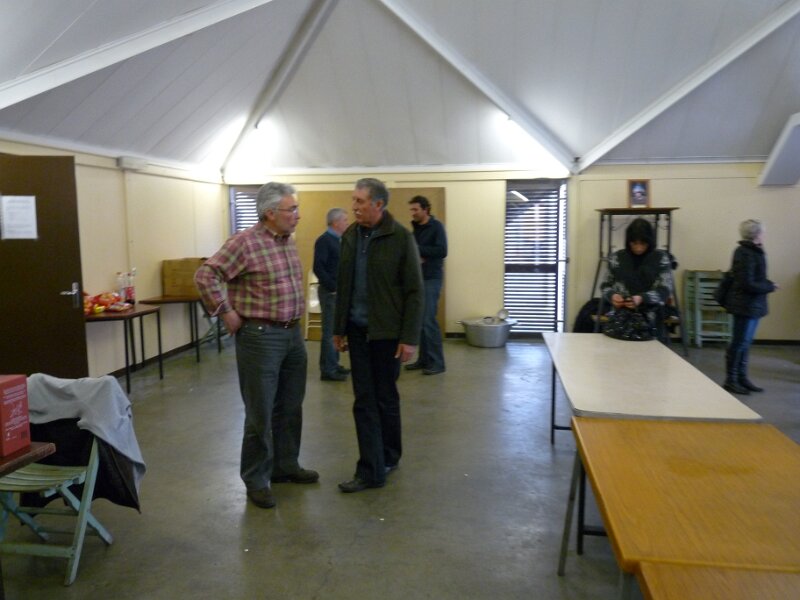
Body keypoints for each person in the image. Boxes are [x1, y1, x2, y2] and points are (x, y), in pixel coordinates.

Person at [195, 181, 318, 510]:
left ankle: (285, 465)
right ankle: (256, 479)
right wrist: (226, 311)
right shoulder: (244, 243)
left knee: (290, 406)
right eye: (292, 209)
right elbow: (205, 276)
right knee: (260, 411)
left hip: (292, 335)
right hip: (261, 337)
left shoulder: (287, 241)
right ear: (270, 213)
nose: (297, 215)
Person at [333, 178, 424, 493]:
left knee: (385, 396)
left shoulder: (400, 237)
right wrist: (338, 328)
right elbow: (343, 285)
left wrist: (409, 337)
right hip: (357, 331)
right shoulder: (349, 236)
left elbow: (414, 291)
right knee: (365, 400)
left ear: (378, 204)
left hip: (387, 334)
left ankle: (389, 454)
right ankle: (371, 470)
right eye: (354, 200)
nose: (354, 207)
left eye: (360, 201)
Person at [721, 219, 779, 394]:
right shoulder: (745, 252)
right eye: (762, 232)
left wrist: (768, 284)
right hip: (744, 304)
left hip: (751, 304)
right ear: (756, 234)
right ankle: (731, 380)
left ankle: (742, 377)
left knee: (745, 343)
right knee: (739, 343)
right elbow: (747, 283)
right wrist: (770, 286)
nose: (764, 235)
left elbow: (754, 278)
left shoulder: (753, 251)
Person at [600, 218, 671, 339]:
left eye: (643, 243)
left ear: (650, 242)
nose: (638, 248)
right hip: (620, 320)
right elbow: (605, 285)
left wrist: (642, 298)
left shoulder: (661, 259)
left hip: (650, 321)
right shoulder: (617, 258)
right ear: (628, 242)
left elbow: (665, 290)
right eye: (634, 243)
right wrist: (612, 296)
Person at [405, 195, 448, 375]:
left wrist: (419, 251)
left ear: (425, 209)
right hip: (419, 278)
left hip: (431, 278)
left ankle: (437, 362)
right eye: (412, 210)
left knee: (428, 320)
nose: (413, 213)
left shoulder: (436, 227)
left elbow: (442, 250)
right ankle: (424, 360)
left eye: (416, 209)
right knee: (421, 321)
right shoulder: (416, 229)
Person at [313, 208, 350, 381]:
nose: (347, 223)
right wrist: (333, 288)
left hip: (337, 293)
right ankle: (328, 370)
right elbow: (318, 268)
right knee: (329, 332)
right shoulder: (324, 241)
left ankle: (334, 364)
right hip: (330, 293)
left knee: (336, 331)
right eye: (345, 220)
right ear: (336, 223)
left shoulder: (338, 240)